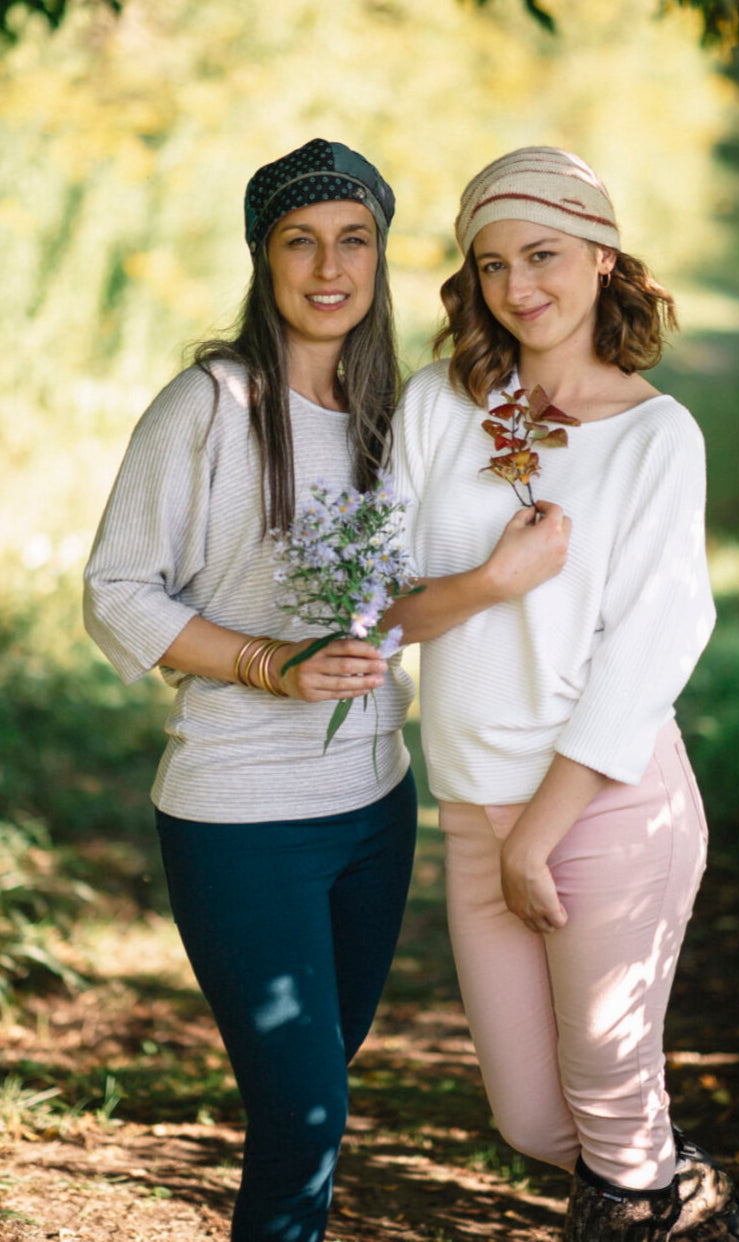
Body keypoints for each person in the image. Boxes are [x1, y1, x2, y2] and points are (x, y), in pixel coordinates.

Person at [386, 147, 739, 1241]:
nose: (517, 286)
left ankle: (664, 1209)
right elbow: (380, 602)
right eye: (490, 265)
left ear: (601, 256)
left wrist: (544, 829)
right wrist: (492, 579)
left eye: (541, 254)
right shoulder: (443, 407)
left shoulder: (654, 436)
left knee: (616, 1137)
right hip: (478, 811)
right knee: (536, 1123)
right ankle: (725, 1219)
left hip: (605, 810)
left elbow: (653, 644)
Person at [83, 137, 420, 1242]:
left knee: (309, 1101)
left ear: (381, 255)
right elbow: (116, 591)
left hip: (376, 811)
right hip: (242, 817)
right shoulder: (212, 405)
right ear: (262, 257)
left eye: (354, 240)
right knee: (307, 1112)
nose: (330, 266)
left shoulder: (403, 420)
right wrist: (267, 663)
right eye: (301, 241)